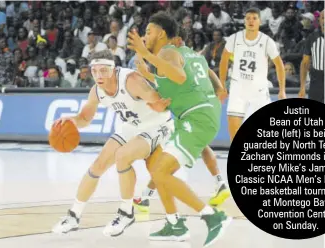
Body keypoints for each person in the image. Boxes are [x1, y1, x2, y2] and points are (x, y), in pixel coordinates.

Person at [127, 11, 231, 246]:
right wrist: (147, 73)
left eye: (148, 32)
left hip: (196, 117)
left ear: (162, 33)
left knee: (161, 172)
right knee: (158, 171)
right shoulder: (185, 54)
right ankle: (174, 223)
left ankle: (212, 217)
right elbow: (175, 85)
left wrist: (146, 56)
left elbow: (180, 77)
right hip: (198, 114)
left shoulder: (167, 52)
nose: (145, 36)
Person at [52, 50, 173, 236]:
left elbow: (161, 102)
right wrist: (72, 120)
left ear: (113, 69)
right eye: (95, 71)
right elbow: (85, 118)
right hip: (132, 126)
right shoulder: (96, 91)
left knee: (122, 157)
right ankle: (73, 215)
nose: (99, 75)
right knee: (98, 166)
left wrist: (158, 99)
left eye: (104, 70)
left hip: (157, 124)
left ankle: (126, 213)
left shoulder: (131, 81)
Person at [219, 7, 286, 142]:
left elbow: (279, 65)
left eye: (254, 18)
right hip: (238, 89)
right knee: (234, 129)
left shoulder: (267, 41)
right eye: (248, 18)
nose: (251, 21)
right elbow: (224, 60)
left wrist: (282, 90)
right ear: (244, 21)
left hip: (258, 90)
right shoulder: (234, 38)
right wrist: (222, 86)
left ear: (259, 21)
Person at [299, 10, 324, 103]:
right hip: (316, 79)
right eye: (323, 18)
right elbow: (305, 63)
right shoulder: (312, 37)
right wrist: (302, 87)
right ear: (319, 20)